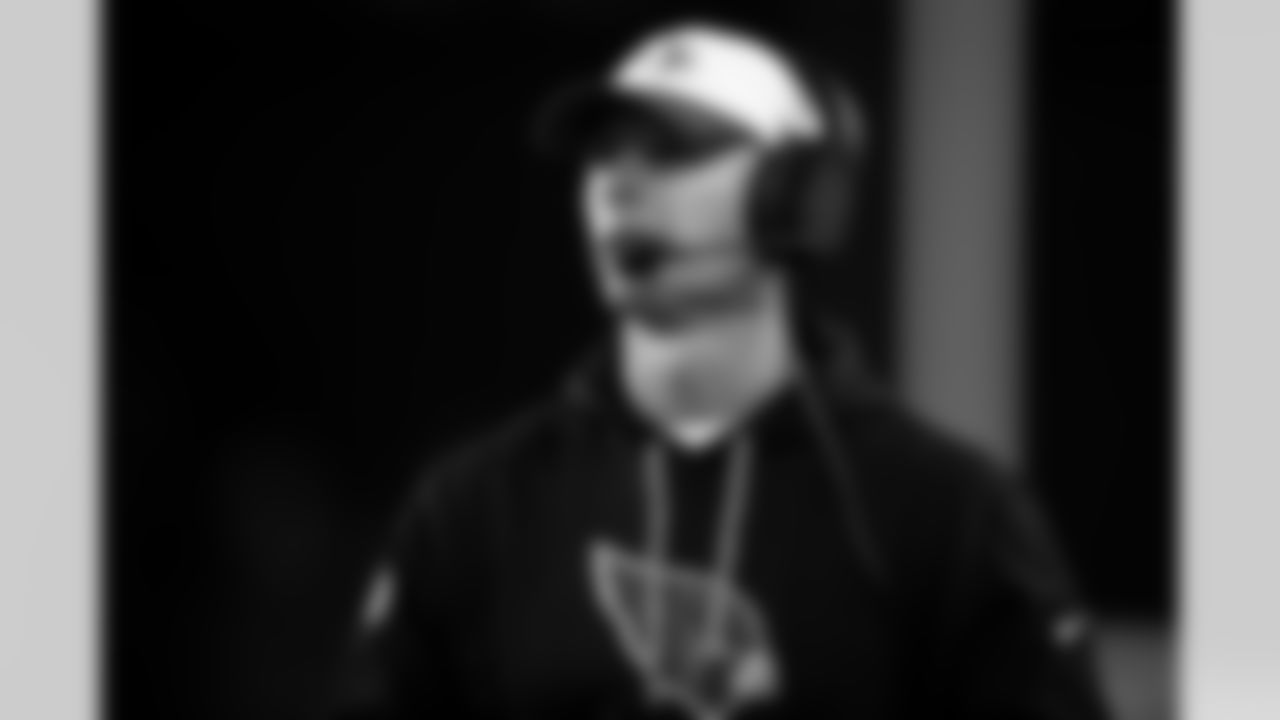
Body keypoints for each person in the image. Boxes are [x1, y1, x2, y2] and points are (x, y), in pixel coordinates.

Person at [329, 19, 1113, 720]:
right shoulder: (471, 510)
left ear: (797, 195)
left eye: (672, 151)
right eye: (602, 153)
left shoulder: (951, 514)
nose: (618, 185)